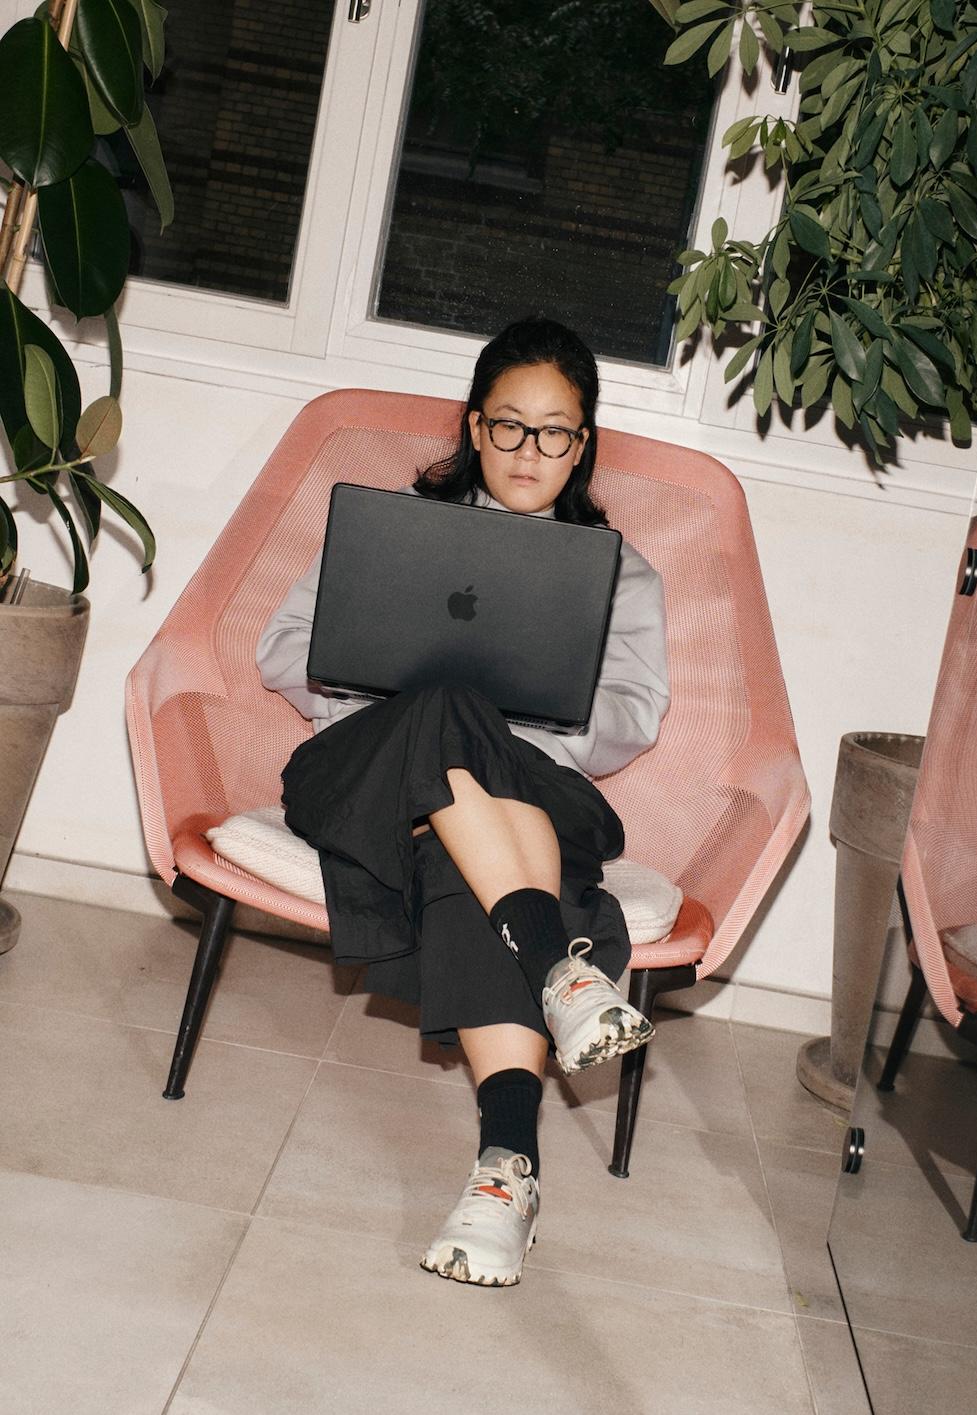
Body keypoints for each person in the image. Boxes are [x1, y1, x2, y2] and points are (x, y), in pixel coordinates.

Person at [256, 318, 670, 1287]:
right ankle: (562, 973)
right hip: (365, 768)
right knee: (439, 707)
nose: (532, 452)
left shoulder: (619, 571)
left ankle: (503, 1170)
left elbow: (633, 713)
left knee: (461, 827)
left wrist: (516, 727)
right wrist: (379, 691)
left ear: (585, 441)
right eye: (511, 427)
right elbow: (283, 646)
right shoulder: (393, 532)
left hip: (526, 787)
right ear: (475, 428)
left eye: (556, 432)